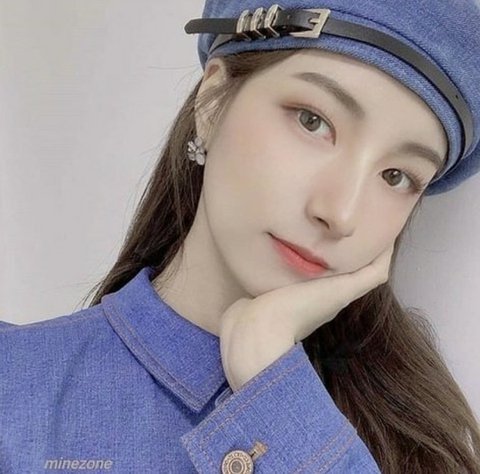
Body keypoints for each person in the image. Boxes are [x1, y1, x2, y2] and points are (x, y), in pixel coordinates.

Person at [1, 0, 480, 472]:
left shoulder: (424, 444)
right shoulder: (15, 388)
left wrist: (272, 379)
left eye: (397, 176)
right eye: (313, 121)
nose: (340, 213)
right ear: (212, 103)